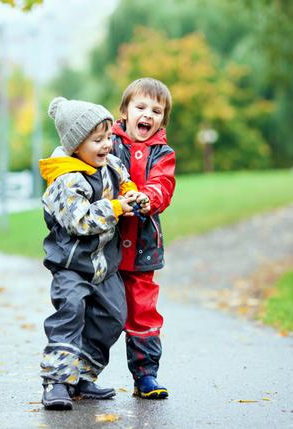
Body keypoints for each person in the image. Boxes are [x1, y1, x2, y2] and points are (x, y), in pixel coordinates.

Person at [39, 96, 144, 410]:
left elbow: (123, 179)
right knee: (70, 315)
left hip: (103, 266)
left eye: (109, 137)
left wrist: (130, 194)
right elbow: (80, 220)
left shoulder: (108, 164)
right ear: (75, 145)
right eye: (97, 140)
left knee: (113, 317)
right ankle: (57, 382)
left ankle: (83, 376)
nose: (107, 145)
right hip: (71, 266)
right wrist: (115, 207)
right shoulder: (65, 180)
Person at [111, 77, 176, 399]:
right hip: (105, 251)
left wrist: (147, 198)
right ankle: (81, 372)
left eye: (156, 110)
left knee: (143, 314)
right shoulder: (107, 143)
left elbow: (163, 185)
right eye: (140, 107)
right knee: (98, 312)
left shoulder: (163, 154)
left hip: (142, 252)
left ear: (162, 119)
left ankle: (146, 375)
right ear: (124, 111)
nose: (147, 115)